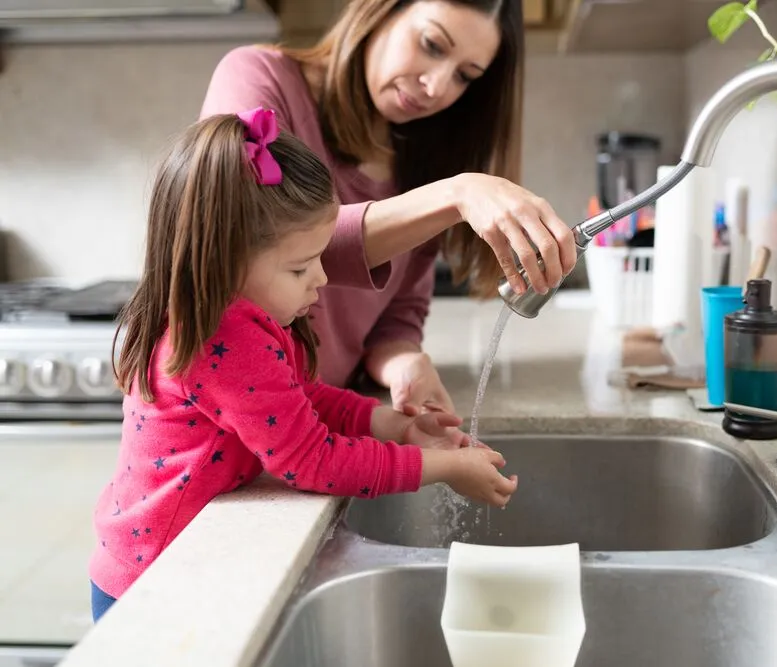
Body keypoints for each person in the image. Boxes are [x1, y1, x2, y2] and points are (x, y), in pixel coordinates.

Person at [88, 107, 518, 623]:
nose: (320, 278)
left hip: (164, 565)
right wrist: (444, 467)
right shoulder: (225, 336)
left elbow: (297, 398)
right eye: (299, 266)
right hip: (153, 586)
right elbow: (312, 461)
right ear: (221, 259)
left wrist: (392, 424)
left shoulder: (235, 315)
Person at [199, 0, 578, 416]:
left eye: (464, 76)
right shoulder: (257, 75)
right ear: (381, 11)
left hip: (310, 430)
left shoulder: (419, 159)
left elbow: (397, 315)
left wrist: (402, 361)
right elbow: (263, 238)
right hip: (226, 434)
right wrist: (454, 195)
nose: (437, 86)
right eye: (432, 44)